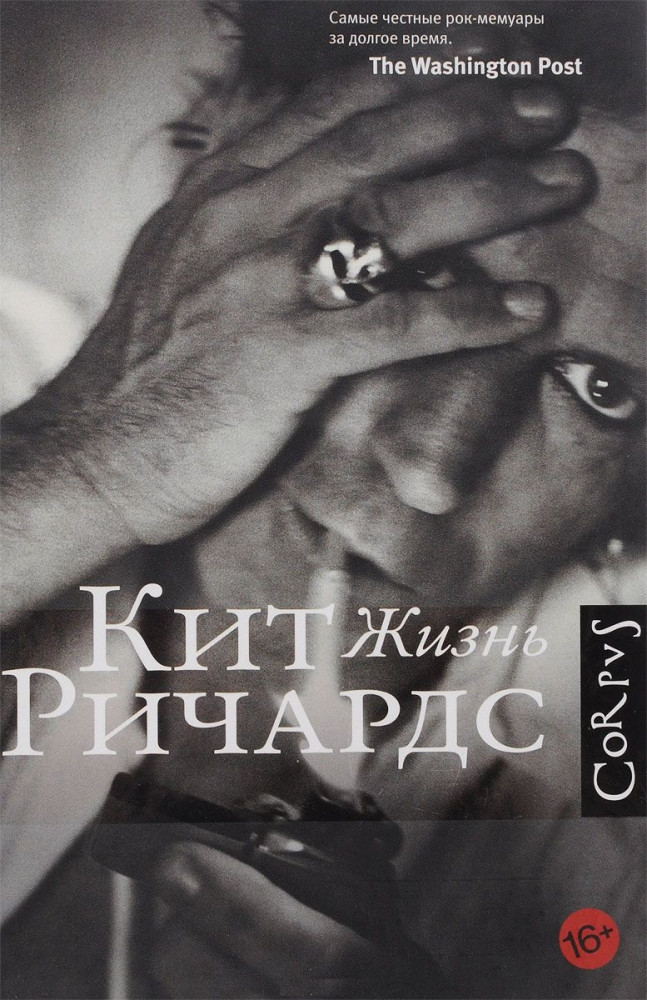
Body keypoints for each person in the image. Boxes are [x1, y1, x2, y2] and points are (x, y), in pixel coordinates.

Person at [1, 2, 645, 998]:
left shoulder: (614, 704)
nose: (430, 470)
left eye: (600, 389)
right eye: (415, 270)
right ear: (211, 183)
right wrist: (79, 458)